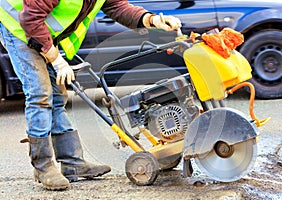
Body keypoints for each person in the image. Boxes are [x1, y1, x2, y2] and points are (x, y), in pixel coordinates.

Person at [0, 0, 181, 191]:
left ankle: (72, 163)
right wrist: (57, 61)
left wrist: (152, 20)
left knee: (58, 96)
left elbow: (117, 7)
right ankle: (43, 167)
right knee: (40, 94)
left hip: (38, 27)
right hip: (19, 27)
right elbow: (30, 18)